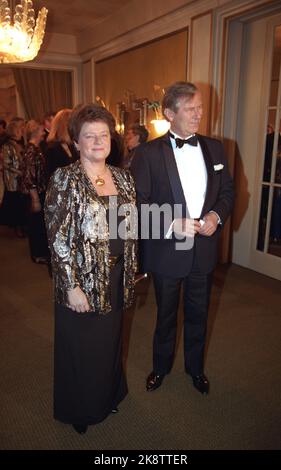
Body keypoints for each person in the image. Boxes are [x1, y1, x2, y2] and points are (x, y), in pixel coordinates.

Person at [131, 81, 234, 395]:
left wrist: (216, 216)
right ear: (169, 114)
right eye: (191, 109)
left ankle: (195, 369)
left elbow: (228, 192)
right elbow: (136, 204)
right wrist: (170, 224)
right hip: (166, 251)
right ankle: (160, 368)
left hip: (202, 248)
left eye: (200, 107)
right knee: (165, 316)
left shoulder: (216, 148)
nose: (198, 114)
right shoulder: (147, 154)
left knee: (199, 313)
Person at [44, 104, 137, 434]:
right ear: (77, 142)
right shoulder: (65, 178)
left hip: (115, 275)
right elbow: (57, 238)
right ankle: (80, 409)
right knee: (81, 348)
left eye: (103, 134)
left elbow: (130, 227)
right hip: (81, 281)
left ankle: (108, 394)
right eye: (89, 136)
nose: (98, 141)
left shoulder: (124, 178)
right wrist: (71, 285)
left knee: (110, 342)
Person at [21, 120, 49, 264]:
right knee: (36, 225)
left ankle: (40, 252)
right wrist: (35, 199)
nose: (44, 133)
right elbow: (29, 177)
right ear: (36, 132)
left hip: (40, 192)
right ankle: (37, 254)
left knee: (39, 224)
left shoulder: (36, 148)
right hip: (35, 194)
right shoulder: (31, 151)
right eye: (42, 130)